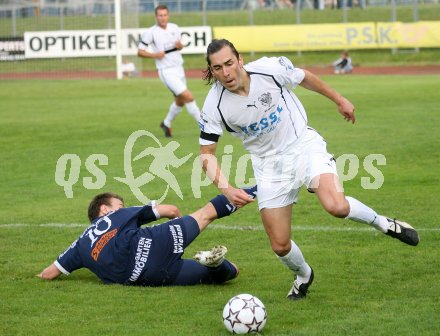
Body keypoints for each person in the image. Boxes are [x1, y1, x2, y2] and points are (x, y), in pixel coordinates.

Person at [198, 39, 419, 300]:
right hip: (269, 166)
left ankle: (384, 224)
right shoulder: (215, 105)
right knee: (280, 245)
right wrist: (226, 189)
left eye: (229, 63)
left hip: (303, 146)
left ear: (240, 60)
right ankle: (303, 274)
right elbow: (206, 154)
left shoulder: (269, 69)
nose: (226, 73)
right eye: (217, 68)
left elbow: (305, 78)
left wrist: (339, 99)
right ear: (211, 71)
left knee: (336, 206)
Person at [38, 186, 257, 286]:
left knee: (229, 273)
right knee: (206, 214)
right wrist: (179, 234)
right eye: (119, 204)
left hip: (147, 277)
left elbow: (48, 274)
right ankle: (258, 189)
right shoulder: (117, 215)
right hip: (153, 244)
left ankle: (215, 264)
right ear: (104, 210)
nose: (122, 207)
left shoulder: (78, 246)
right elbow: (170, 210)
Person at [137, 4, 201, 138]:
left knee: (180, 101)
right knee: (189, 97)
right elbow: (140, 52)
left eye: (165, 15)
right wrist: (155, 55)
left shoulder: (174, 28)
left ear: (168, 15)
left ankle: (166, 123)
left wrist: (180, 46)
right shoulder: (151, 32)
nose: (163, 18)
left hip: (179, 68)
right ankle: (205, 127)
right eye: (160, 15)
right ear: (156, 17)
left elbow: (179, 47)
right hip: (166, 71)